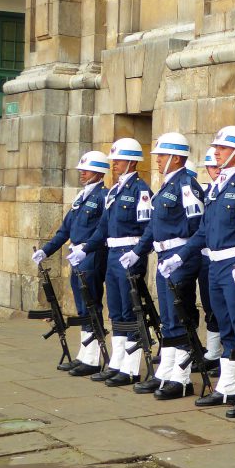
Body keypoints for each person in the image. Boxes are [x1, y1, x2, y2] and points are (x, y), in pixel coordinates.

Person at [159, 126, 235, 418]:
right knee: (226, 325)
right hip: (217, 266)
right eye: (216, 147)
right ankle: (228, 387)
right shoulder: (218, 186)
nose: (216, 152)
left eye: (221, 148)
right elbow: (203, 232)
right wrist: (180, 257)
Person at [122, 132, 204, 399]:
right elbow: (154, 227)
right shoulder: (167, 186)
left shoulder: (186, 185)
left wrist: (182, 255)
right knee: (168, 317)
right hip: (164, 256)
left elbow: (196, 226)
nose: (157, 160)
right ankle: (166, 373)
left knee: (179, 316)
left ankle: (181, 379)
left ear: (176, 157)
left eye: (161, 156)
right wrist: (137, 251)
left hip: (180, 255)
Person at [69, 138, 153, 387]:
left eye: (118, 160)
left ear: (131, 161)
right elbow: (103, 228)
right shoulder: (115, 191)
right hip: (114, 254)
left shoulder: (141, 190)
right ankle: (117, 363)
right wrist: (86, 248)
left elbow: (148, 227)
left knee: (131, 309)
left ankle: (131, 368)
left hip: (129, 253)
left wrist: (138, 252)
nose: (114, 164)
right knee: (116, 310)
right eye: (113, 160)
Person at [32, 151, 110, 376]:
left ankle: (94, 358)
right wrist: (47, 250)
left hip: (90, 255)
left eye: (87, 170)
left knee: (91, 303)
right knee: (81, 305)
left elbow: (102, 229)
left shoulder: (104, 196)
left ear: (98, 172)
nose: (83, 173)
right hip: (76, 255)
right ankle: (85, 355)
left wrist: (86, 250)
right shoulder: (81, 196)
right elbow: (66, 229)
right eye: (81, 170)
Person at [195, 148, 223, 376]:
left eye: (218, 167)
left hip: (228, 258)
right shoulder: (206, 191)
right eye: (212, 168)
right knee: (210, 306)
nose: (216, 171)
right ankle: (213, 352)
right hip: (207, 257)